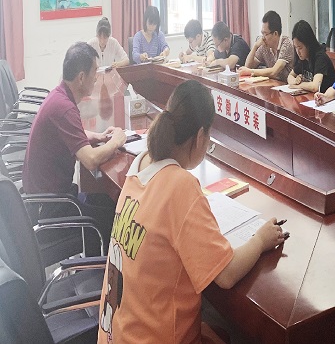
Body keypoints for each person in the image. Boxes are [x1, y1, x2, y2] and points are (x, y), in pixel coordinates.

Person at [97, 80, 285, 343]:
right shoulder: (180, 185)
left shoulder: (140, 165)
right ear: (200, 137)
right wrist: (261, 240)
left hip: (115, 334)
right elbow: (227, 275)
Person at [22, 42, 127, 251]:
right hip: (51, 208)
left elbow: (68, 134)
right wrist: (116, 141)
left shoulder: (59, 95)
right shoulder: (64, 108)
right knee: (114, 219)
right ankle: (96, 270)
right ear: (81, 77)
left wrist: (98, 136)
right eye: (94, 71)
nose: (96, 77)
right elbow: (90, 160)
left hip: (44, 199)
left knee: (107, 201)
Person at [238, 10, 294, 82]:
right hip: (273, 84)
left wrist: (250, 71)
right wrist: (255, 46)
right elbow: (248, 66)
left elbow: (274, 71)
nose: (263, 37)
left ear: (275, 34)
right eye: (262, 33)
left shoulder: (287, 44)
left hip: (287, 85)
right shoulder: (264, 45)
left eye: (265, 34)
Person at [287, 20, 335, 93]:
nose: (298, 52)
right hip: (311, 97)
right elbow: (290, 76)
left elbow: (315, 87)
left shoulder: (320, 57)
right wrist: (295, 81)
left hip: (326, 97)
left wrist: (299, 85)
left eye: (300, 48)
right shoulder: (302, 58)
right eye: (295, 47)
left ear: (308, 44)